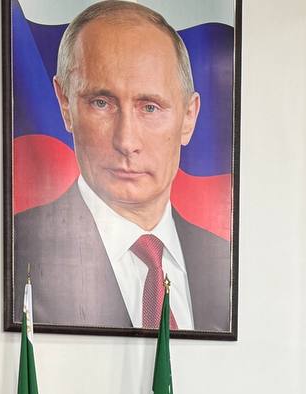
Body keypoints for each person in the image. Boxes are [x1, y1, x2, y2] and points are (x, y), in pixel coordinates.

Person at [13, 1, 230, 332]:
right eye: (102, 103)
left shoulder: (226, 261)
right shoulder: (18, 255)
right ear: (65, 104)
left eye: (150, 107)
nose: (127, 141)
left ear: (189, 117)